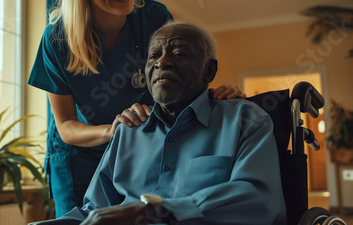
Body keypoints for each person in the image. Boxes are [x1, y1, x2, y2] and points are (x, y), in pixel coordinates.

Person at [27, 0, 245, 217]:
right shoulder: (57, 39)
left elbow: (178, 83)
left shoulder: (154, 18)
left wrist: (215, 95)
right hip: (78, 155)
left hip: (137, 144)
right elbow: (67, 127)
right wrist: (113, 129)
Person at [56, 22, 287, 225]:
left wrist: (156, 212)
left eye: (179, 53)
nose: (162, 62)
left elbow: (259, 200)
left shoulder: (245, 120)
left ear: (209, 71)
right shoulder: (129, 131)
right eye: (154, 55)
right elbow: (95, 210)